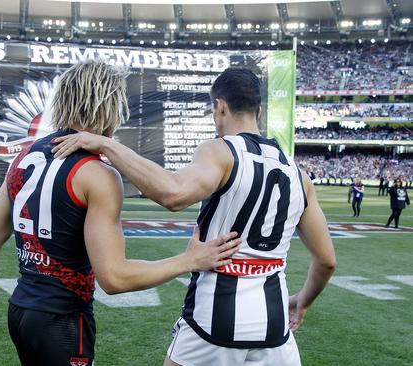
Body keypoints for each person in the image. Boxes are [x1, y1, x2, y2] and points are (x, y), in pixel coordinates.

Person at [0, 60, 241, 365]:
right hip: (62, 321)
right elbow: (114, 279)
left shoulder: (24, 157)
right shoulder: (98, 174)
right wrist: (188, 260)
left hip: (21, 312)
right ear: (109, 105)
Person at [53, 67, 337, 366]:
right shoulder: (299, 174)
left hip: (214, 320)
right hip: (274, 328)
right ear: (260, 109)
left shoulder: (221, 151)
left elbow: (173, 194)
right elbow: (327, 260)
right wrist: (302, 302)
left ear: (219, 106)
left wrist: (107, 144)